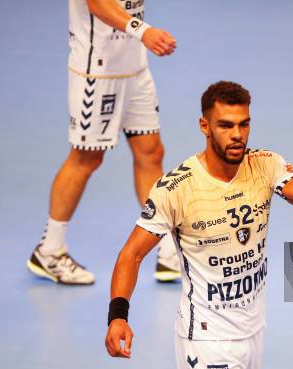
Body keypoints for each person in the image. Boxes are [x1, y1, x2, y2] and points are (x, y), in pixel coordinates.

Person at [105, 81, 293, 369]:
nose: (237, 134)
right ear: (205, 126)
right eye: (226, 125)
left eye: (244, 124)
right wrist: (118, 316)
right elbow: (131, 254)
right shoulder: (176, 188)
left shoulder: (266, 165)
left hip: (252, 331)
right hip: (206, 339)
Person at [26, 0, 181, 285]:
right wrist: (143, 30)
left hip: (135, 67)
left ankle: (168, 249)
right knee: (86, 158)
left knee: (150, 153)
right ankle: (49, 251)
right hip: (97, 73)